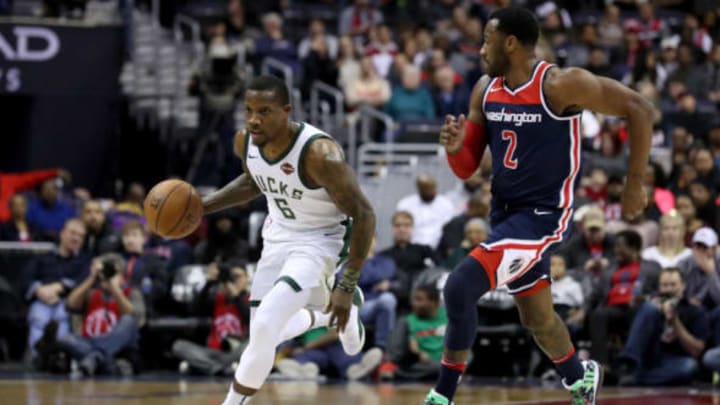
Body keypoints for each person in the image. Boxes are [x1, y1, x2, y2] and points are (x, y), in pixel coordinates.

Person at [426, 7, 652, 405]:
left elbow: (639, 108)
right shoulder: (486, 89)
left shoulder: (561, 84)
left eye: (486, 41)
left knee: (460, 287)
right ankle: (579, 377)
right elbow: (466, 170)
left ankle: (441, 397)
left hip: (544, 217)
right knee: (537, 319)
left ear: (510, 43)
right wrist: (454, 148)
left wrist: (634, 183)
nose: (480, 51)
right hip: (505, 216)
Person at [201, 75, 376, 405]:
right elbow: (255, 181)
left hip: (320, 241)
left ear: (286, 112)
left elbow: (365, 214)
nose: (254, 119)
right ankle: (329, 315)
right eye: (249, 110)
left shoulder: (320, 155)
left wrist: (347, 283)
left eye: (264, 111)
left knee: (267, 322)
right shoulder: (246, 141)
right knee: (263, 335)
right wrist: (203, 206)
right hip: (277, 237)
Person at [615, 268, 708, 386]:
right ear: (659, 287)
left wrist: (675, 321)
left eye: (673, 285)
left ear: (683, 286)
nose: (669, 289)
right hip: (650, 356)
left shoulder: (695, 310)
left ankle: (637, 378)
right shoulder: (649, 306)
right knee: (649, 308)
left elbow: (696, 351)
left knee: (690, 366)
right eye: (664, 285)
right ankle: (628, 365)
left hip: (674, 359)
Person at [59, 253, 144, 376]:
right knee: (66, 339)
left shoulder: (131, 293)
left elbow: (136, 319)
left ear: (122, 276)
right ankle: (105, 363)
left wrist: (115, 288)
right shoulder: (91, 294)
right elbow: (70, 304)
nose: (106, 277)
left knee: (128, 321)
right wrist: (91, 278)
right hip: (88, 342)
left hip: (119, 349)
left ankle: (95, 358)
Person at [172, 263, 250, 376]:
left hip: (236, 351)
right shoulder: (217, 299)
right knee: (178, 346)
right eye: (231, 278)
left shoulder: (251, 299)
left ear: (247, 278)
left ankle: (205, 367)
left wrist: (236, 296)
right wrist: (209, 282)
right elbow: (194, 309)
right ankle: (221, 369)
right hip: (213, 352)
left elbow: (250, 319)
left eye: (237, 277)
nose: (233, 281)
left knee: (252, 344)